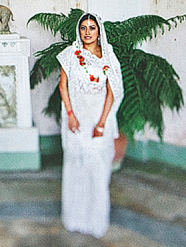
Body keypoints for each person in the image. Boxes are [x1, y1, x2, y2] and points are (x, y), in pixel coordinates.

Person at [57, 12, 124, 237]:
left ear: (98, 31)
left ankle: (96, 221)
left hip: (99, 117)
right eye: (83, 27)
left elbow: (113, 91)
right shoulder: (69, 55)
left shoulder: (108, 55)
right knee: (76, 166)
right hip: (76, 116)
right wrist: (70, 114)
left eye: (91, 27)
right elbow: (63, 86)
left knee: (97, 168)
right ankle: (74, 219)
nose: (87, 32)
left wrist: (102, 123)